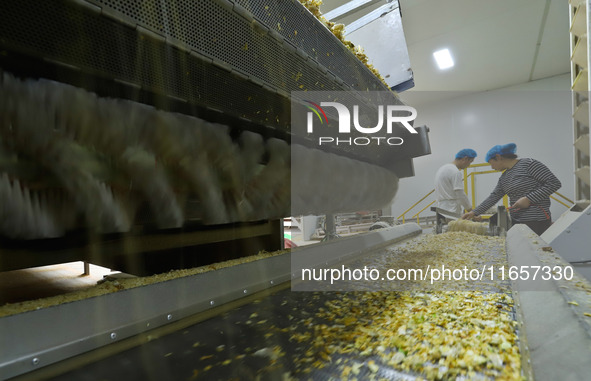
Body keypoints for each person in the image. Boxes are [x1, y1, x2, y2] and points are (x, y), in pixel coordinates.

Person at [462, 143, 561, 235]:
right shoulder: (504, 177)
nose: (492, 167)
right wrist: (474, 212)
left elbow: (554, 183)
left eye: (491, 163)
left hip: (536, 220)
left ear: (498, 157)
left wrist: (528, 199)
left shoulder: (529, 164)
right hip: (516, 220)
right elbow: (494, 196)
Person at [434, 148, 477, 215]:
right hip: (452, 210)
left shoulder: (443, 168)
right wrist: (471, 210)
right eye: (470, 162)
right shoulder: (455, 172)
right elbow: (460, 194)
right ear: (465, 159)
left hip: (441, 208)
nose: (469, 165)